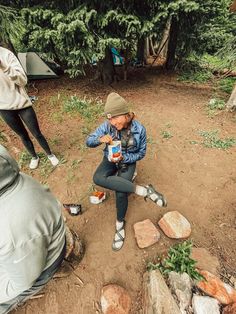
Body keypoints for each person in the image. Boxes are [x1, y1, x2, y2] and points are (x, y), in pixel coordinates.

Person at [86, 92, 167, 251]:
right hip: (110, 158)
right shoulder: (107, 126)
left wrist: (124, 158)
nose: (112, 122)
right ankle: (145, 191)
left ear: (125, 114)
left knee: (120, 192)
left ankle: (119, 225)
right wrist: (99, 140)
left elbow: (141, 153)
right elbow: (88, 141)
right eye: (109, 118)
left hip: (127, 161)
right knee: (97, 178)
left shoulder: (140, 130)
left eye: (115, 117)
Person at [0, 144, 65, 313]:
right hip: (26, 247)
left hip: (38, 264)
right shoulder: (9, 180)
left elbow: (22, 282)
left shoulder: (12, 230)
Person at [0, 45, 59, 169]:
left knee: (36, 132)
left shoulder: (6, 55)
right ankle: (34, 157)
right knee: (22, 135)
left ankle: (50, 154)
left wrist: (4, 66)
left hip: (22, 104)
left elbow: (23, 81)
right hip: (4, 107)